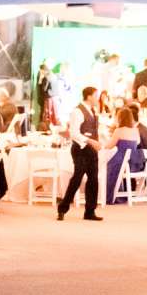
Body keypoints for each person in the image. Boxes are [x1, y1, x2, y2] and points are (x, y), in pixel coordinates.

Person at [57, 86, 104, 221]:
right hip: (80, 149)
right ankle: (63, 208)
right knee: (77, 179)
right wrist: (91, 141)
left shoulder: (93, 111)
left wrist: (97, 142)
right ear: (89, 96)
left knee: (93, 180)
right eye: (96, 95)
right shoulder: (77, 111)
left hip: (92, 149)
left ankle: (90, 211)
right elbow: (74, 133)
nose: (97, 98)